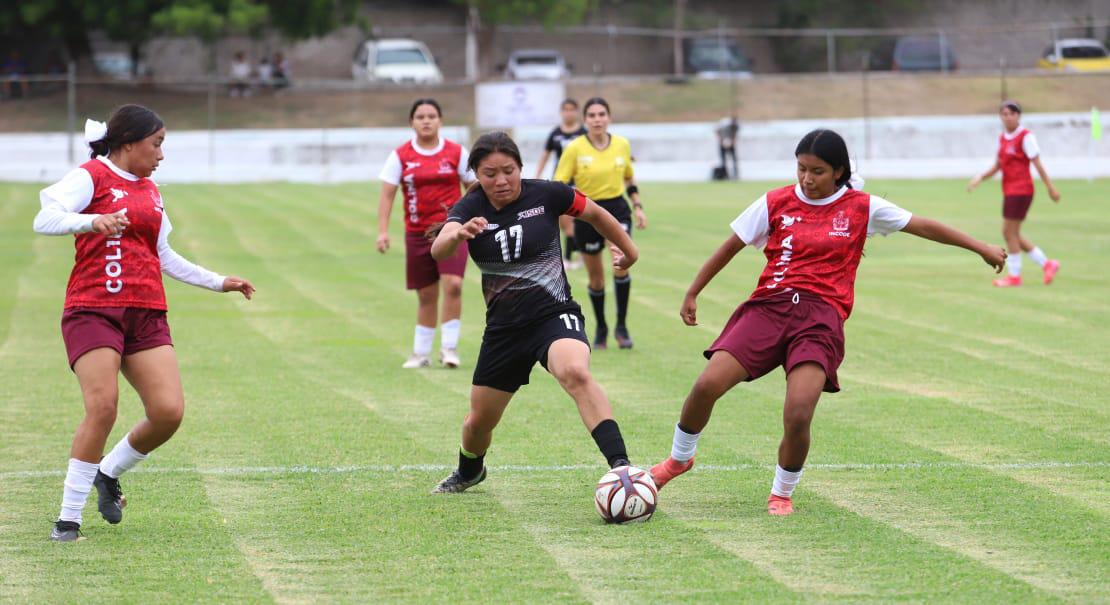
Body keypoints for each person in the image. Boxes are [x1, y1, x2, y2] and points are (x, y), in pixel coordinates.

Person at [649, 129, 1006, 516]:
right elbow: (730, 246)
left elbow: (923, 226)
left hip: (820, 319)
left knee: (799, 411)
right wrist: (693, 291)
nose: (806, 179)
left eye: (817, 171)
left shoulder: (862, 207)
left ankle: (781, 493)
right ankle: (679, 460)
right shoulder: (775, 202)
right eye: (801, 168)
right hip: (769, 308)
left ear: (839, 171)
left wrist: (981, 247)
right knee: (706, 385)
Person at [33, 105, 255, 541]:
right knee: (103, 407)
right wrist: (92, 221)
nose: (161, 155)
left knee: (168, 412)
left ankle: (108, 473)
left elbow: (163, 255)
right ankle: (68, 520)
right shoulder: (92, 176)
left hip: (146, 312)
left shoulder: (151, 191)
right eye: (157, 144)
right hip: (94, 309)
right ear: (129, 142)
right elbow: (45, 217)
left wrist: (217, 281)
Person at [427, 131, 640, 493]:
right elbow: (439, 249)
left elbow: (596, 213)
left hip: (553, 315)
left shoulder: (548, 194)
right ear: (476, 174)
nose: (501, 180)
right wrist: (458, 234)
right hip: (504, 330)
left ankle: (622, 467)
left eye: (508, 171)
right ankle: (469, 470)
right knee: (478, 422)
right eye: (490, 173)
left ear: (520, 167)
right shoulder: (469, 207)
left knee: (575, 372)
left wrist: (629, 250)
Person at [377, 99, 473, 369]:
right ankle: (421, 353)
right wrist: (382, 232)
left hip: (451, 230)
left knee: (453, 285)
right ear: (412, 122)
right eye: (420, 116)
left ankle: (449, 349)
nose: (426, 121)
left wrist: (471, 217)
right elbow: (387, 195)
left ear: (440, 120)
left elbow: (473, 186)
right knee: (426, 294)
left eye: (432, 116)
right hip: (418, 233)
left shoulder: (456, 152)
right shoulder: (401, 155)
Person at [553, 97, 647, 350]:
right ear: (585, 120)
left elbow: (629, 178)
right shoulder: (575, 148)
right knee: (596, 279)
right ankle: (602, 327)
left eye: (601, 114)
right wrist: (564, 214)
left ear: (609, 118)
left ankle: (622, 327)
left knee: (621, 265)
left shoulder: (621, 144)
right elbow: (560, 183)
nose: (597, 119)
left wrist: (638, 206)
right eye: (592, 115)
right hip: (587, 212)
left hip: (617, 210)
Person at [967, 100, 1061, 287]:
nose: (1008, 117)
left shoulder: (1026, 137)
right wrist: (980, 177)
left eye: (1012, 113)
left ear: (1018, 116)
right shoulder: (1003, 138)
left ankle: (1015, 276)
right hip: (1010, 191)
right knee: (1013, 234)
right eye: (1004, 114)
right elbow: (998, 165)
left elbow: (1038, 165)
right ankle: (1047, 264)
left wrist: (1050, 187)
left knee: (1008, 232)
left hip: (1021, 190)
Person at [534, 98, 588, 271]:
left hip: (580, 182)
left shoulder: (584, 133)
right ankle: (580, 251)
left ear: (577, 112)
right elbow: (545, 156)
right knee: (564, 222)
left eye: (572, 109)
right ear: (561, 112)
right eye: (565, 109)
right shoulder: (555, 133)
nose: (568, 113)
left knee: (572, 221)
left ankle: (569, 257)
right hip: (560, 181)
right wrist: (537, 176)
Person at [716, 115, 739, 180]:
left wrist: (733, 142)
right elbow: (717, 132)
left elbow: (735, 135)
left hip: (731, 145)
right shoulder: (725, 127)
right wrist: (721, 141)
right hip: (723, 144)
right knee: (723, 161)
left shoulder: (736, 127)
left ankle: (736, 175)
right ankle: (725, 175)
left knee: (734, 160)